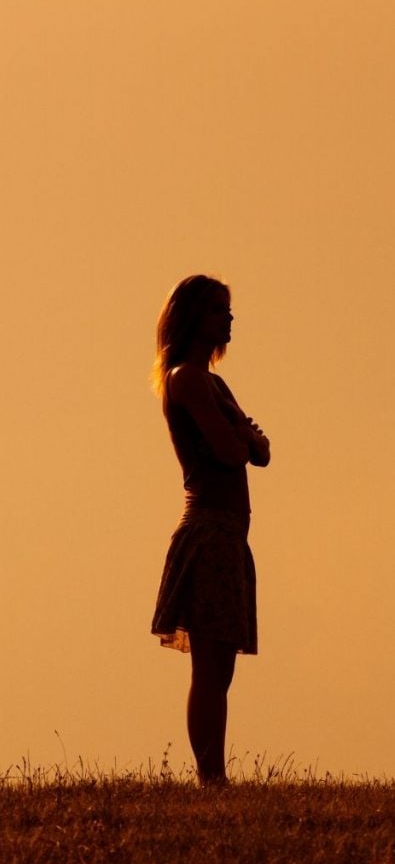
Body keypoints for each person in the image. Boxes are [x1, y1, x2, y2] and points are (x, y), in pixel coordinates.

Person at [150, 276, 270, 785]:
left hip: (231, 535)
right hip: (208, 531)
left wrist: (244, 438)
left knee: (222, 666)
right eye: (219, 310)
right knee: (208, 665)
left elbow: (260, 451)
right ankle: (210, 776)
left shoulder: (214, 383)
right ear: (194, 316)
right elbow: (231, 449)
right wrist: (243, 436)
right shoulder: (186, 379)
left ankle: (213, 774)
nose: (229, 318)